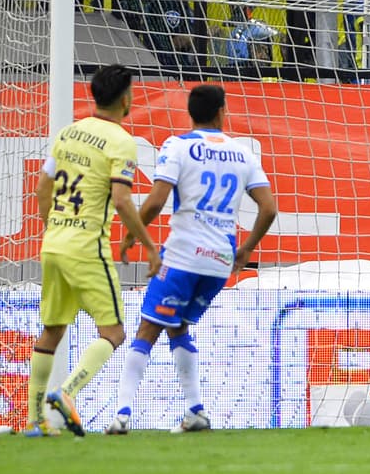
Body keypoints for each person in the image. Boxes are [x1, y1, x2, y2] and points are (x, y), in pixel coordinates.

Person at [105, 85, 276, 435]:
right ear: (222, 112)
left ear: (191, 113)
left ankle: (121, 414)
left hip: (183, 254)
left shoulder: (178, 146)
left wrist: (132, 236)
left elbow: (155, 202)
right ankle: (196, 411)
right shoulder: (243, 153)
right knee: (178, 325)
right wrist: (246, 249)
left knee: (147, 328)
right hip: (219, 262)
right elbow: (269, 208)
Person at [24, 65, 158, 437]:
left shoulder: (67, 133)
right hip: (87, 246)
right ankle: (66, 394)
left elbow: (42, 187)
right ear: (126, 98)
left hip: (53, 242)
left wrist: (53, 227)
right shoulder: (120, 141)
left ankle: (35, 423)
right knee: (113, 332)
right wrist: (148, 244)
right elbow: (121, 198)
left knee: (51, 330)